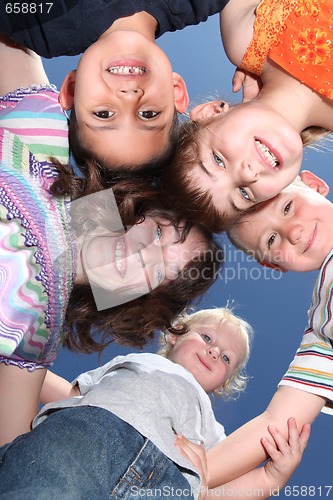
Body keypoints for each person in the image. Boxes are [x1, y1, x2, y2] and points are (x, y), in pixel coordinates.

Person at [0, 35, 222, 447]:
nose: (144, 254)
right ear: (135, 211)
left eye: (159, 271)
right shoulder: (42, 145)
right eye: (158, 232)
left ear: (140, 300)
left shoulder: (33, 337)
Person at [0, 307, 310, 499]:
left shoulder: (212, 431)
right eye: (207, 338)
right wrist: (16, 358)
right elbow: (70, 396)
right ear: (175, 334)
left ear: (224, 382)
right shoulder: (137, 362)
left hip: (170, 482)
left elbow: (212, 494)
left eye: (227, 358)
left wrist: (270, 479)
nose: (215, 352)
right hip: (88, 434)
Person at [201, 171, 332, 489]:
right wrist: (190, 473)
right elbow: (276, 423)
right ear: (275, 265)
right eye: (272, 240)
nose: (293, 232)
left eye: (287, 207)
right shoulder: (323, 329)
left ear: (314, 184)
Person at [0, 1, 232, 175]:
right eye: (148, 115)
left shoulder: (37, 25)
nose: (128, 97)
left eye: (104, 114)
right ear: (176, 92)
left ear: (72, 89)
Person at [160, 0, 333, 232]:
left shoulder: (246, 38)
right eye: (243, 193)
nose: (248, 174)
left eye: (218, 161)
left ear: (210, 112)